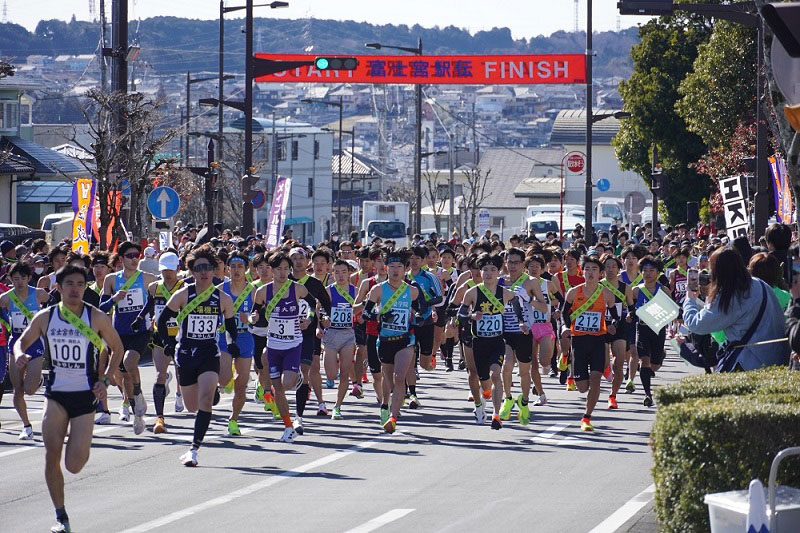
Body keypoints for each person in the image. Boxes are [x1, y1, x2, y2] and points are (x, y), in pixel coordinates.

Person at [15, 264, 124, 533]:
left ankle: (80, 445)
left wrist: (107, 379)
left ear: (85, 288)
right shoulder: (46, 317)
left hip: (85, 396)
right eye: (69, 284)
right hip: (56, 394)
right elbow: (22, 340)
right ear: (59, 288)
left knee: (74, 465)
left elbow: (117, 348)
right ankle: (61, 517)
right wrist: (19, 354)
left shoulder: (96, 317)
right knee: (50, 455)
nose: (75, 289)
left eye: (80, 284)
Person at [158, 245, 239, 465]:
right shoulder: (182, 294)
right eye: (199, 268)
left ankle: (194, 449)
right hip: (185, 354)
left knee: (205, 402)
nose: (204, 272)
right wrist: (167, 342)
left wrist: (232, 345)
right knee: (192, 406)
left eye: (208, 267)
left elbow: (231, 327)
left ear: (214, 271)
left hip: (208, 353)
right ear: (192, 271)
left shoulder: (223, 299)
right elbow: (162, 320)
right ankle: (209, 393)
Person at [683, 247, 789, 371]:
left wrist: (690, 299)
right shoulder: (760, 284)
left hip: (747, 362)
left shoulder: (731, 294)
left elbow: (696, 324)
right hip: (776, 358)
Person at [458, 253, 529, 430]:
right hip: (479, 342)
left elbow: (516, 304)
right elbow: (460, 314)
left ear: (499, 272)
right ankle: (480, 404)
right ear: (480, 272)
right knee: (483, 380)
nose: (489, 273)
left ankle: (496, 415)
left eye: (493, 270)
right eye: (485, 270)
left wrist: (521, 321)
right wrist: (471, 316)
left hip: (497, 341)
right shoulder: (472, 292)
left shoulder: (505, 293)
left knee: (496, 374)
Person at [361, 249, 424, 433]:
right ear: (386, 268)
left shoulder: (412, 291)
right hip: (385, 340)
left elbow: (422, 310)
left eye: (399, 267)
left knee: (399, 377)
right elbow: (366, 313)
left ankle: (393, 418)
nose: (395, 270)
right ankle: (384, 404)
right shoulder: (378, 289)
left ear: (405, 269)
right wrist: (380, 314)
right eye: (392, 266)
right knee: (387, 380)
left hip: (405, 341)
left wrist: (419, 317)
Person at [250, 251, 310, 443]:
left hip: (293, 344)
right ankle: (288, 426)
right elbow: (255, 313)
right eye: (279, 269)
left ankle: (298, 376)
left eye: (286, 269)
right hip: (273, 344)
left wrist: (308, 319)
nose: (283, 273)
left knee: (286, 383)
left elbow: (313, 307)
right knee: (278, 389)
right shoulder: (262, 292)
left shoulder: (298, 289)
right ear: (271, 270)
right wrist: (254, 318)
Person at [99, 241, 157, 434]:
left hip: (141, 330)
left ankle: (139, 394)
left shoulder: (148, 278)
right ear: (121, 258)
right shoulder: (111, 280)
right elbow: (101, 308)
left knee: (130, 362)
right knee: (124, 377)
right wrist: (114, 299)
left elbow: (161, 299)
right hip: (119, 332)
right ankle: (137, 413)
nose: (134, 259)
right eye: (130, 256)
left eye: (137, 256)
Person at [561, 255, 619, 431]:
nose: (590, 273)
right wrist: (565, 327)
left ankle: (586, 417)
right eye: (587, 269)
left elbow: (615, 317)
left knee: (595, 380)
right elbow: (564, 313)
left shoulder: (607, 294)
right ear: (582, 271)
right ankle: (566, 360)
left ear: (600, 273)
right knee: (582, 388)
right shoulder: (573, 292)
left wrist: (612, 326)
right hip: (578, 341)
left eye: (594, 269)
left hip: (597, 341)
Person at [132, 252, 184, 433]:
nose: (167, 274)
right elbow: (150, 305)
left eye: (170, 270)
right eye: (164, 270)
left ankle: (180, 394)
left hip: (180, 337)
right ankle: (159, 417)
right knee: (159, 375)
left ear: (178, 269)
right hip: (160, 336)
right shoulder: (154, 287)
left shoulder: (184, 287)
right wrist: (140, 318)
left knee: (183, 375)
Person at [1, 262, 50, 439]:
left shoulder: (38, 294)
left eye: (22, 278)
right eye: (15, 279)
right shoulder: (6, 298)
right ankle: (27, 426)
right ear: (10, 279)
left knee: (29, 389)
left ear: (29, 278)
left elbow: (55, 307)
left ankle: (38, 380)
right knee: (17, 388)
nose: (19, 282)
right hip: (16, 342)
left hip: (35, 341)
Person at [320, 259, 358, 420]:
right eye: (337, 272)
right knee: (330, 374)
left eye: (344, 272)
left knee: (344, 374)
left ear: (349, 273)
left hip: (348, 334)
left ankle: (337, 407)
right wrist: (322, 320)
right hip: (331, 334)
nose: (340, 276)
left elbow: (361, 308)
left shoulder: (355, 291)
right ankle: (332, 360)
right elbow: (319, 310)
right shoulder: (328, 291)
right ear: (332, 274)